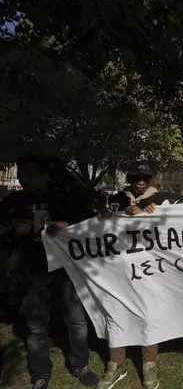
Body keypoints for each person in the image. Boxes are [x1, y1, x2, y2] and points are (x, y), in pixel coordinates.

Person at [0, 155, 100, 389]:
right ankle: (40, 374)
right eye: (22, 175)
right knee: (36, 328)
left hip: (67, 271)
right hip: (31, 272)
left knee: (76, 321)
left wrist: (66, 225)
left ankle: (80, 365)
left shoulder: (64, 198)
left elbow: (90, 223)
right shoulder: (12, 203)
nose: (26, 180)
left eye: (31, 175)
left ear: (45, 175)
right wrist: (14, 233)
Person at [99, 161, 169, 389]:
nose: (141, 182)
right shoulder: (118, 198)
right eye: (137, 178)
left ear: (150, 180)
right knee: (116, 313)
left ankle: (149, 364)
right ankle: (116, 364)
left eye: (145, 178)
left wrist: (158, 214)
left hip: (149, 269)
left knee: (148, 316)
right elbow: (101, 226)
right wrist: (120, 213)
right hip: (119, 268)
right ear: (130, 178)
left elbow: (173, 227)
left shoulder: (162, 199)